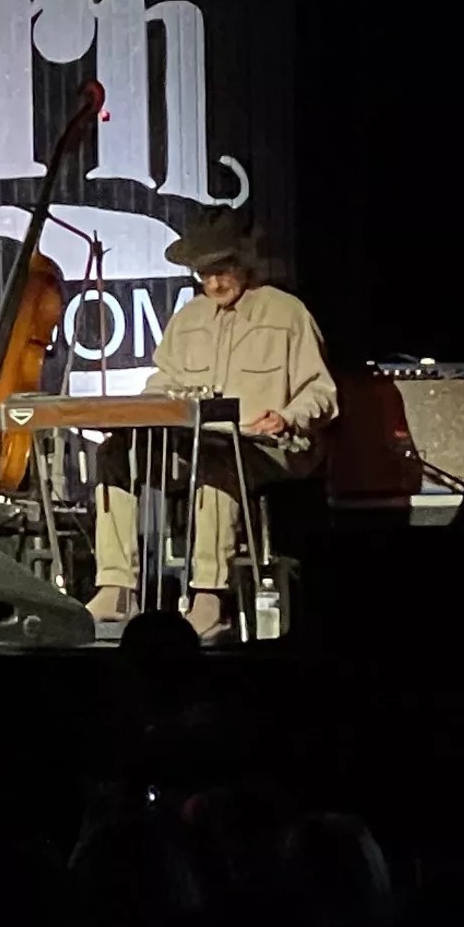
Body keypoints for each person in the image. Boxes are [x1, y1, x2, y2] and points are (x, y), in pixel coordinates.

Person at [92, 215, 336, 641]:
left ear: (243, 263)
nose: (214, 283)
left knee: (219, 460)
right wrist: (144, 412)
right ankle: (116, 588)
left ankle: (209, 597)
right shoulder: (188, 318)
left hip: (269, 446)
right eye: (204, 274)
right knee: (115, 453)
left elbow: (322, 392)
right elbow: (162, 383)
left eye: (222, 270)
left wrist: (287, 416)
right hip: (195, 442)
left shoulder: (286, 312)